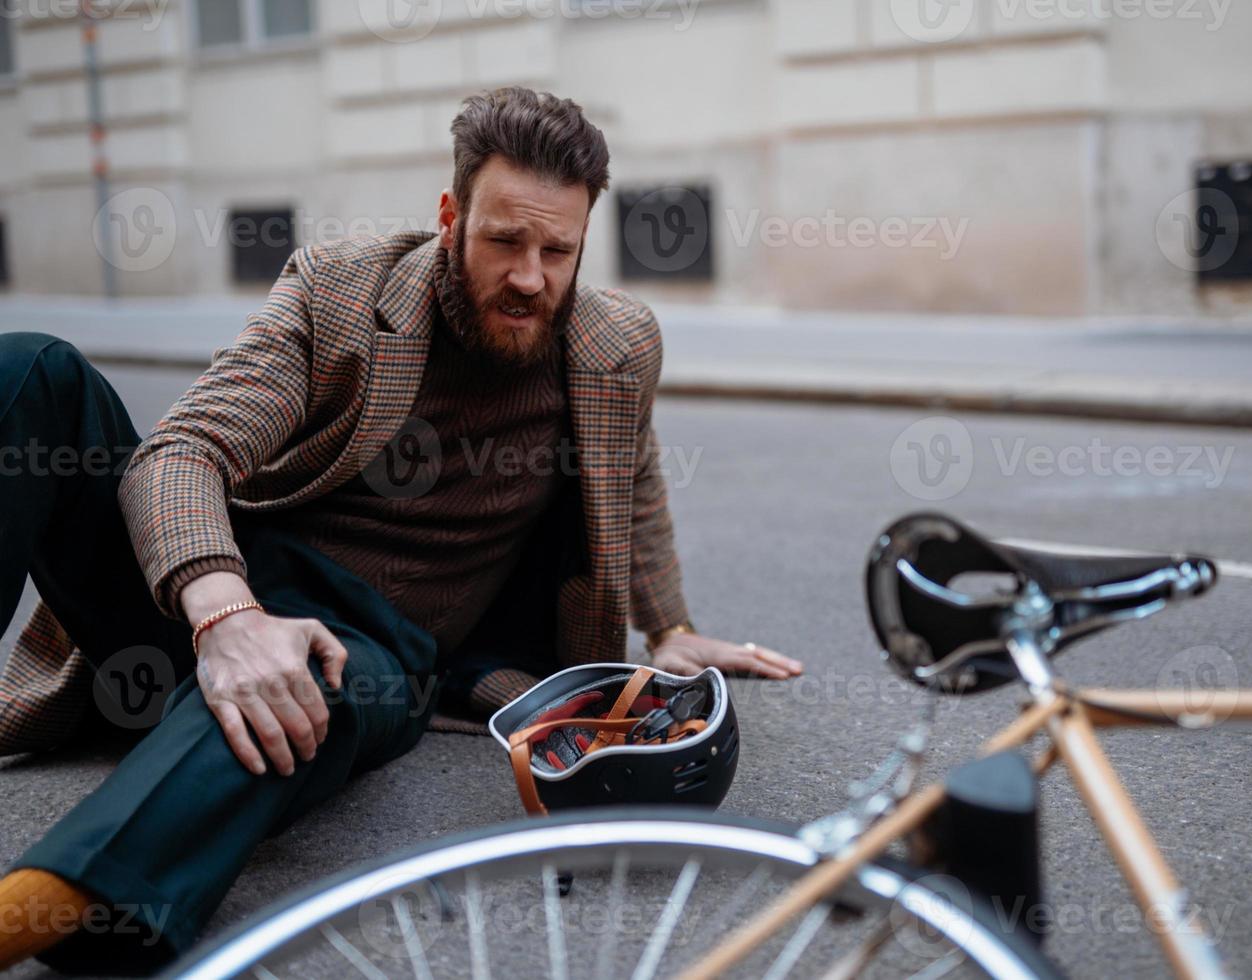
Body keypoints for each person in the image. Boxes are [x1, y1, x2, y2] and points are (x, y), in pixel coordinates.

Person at [0, 86, 803, 973]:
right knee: (29, 369)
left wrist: (672, 626)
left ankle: (38, 917)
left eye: (557, 249)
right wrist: (226, 614)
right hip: (201, 591)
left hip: (368, 642)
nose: (530, 276)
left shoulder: (617, 345)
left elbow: (634, 476)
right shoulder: (340, 290)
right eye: (504, 240)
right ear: (451, 217)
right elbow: (182, 451)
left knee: (297, 692)